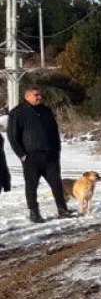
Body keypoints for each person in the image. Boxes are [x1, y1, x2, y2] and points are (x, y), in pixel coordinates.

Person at [7, 86, 72, 222]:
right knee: (31, 186)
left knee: (56, 184)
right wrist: (22, 155)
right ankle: (34, 213)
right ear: (27, 96)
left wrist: (57, 151)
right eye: (36, 95)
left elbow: (54, 132)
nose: (39, 97)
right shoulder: (17, 113)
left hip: (50, 155)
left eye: (40, 95)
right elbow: (13, 136)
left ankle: (62, 209)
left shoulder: (46, 110)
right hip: (31, 157)